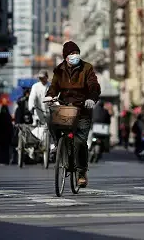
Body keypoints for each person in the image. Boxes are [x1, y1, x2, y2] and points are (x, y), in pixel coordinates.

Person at [45, 41, 101, 187]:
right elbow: (53, 87)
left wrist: (91, 98)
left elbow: (94, 86)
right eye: (71, 54)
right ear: (65, 57)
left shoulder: (87, 68)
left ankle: (81, 172)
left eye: (76, 53)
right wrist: (50, 96)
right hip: (64, 108)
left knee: (80, 142)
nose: (74, 56)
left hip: (82, 110)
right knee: (50, 120)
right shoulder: (59, 70)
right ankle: (58, 145)